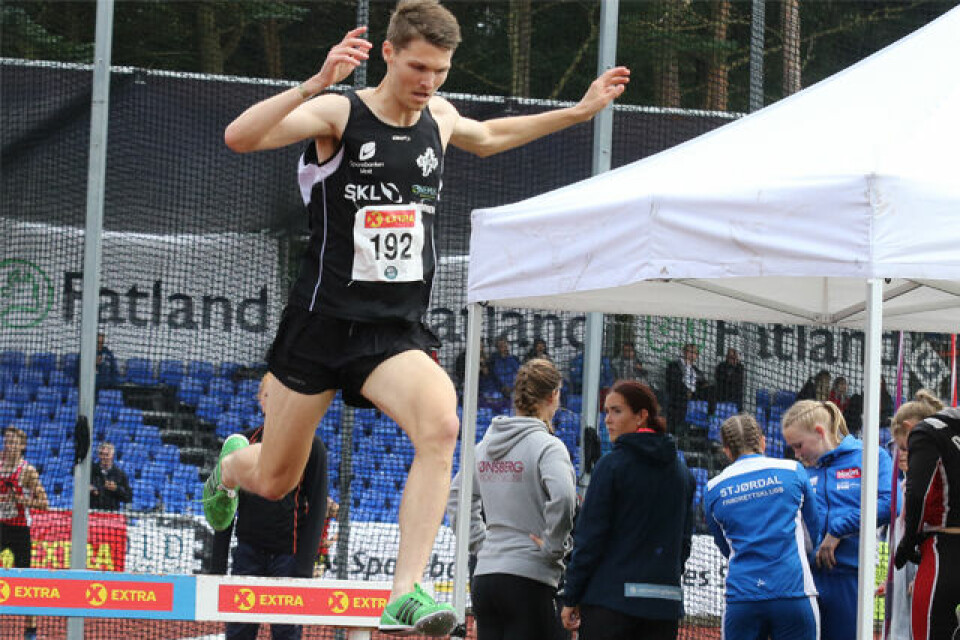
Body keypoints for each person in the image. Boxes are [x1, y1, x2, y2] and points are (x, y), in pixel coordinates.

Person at [204, 1, 629, 635]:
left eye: (440, 70)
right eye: (419, 67)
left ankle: (405, 591)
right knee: (272, 481)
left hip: (392, 332)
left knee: (442, 425)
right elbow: (239, 137)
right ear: (389, 54)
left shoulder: (439, 117)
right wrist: (315, 82)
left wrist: (578, 111)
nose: (429, 81)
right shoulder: (340, 113)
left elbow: (491, 137)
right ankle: (232, 463)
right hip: (320, 325)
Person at [448, 358, 576, 640]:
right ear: (553, 395)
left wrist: (480, 544)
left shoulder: (484, 446)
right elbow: (565, 497)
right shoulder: (549, 446)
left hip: (487, 576)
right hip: (531, 576)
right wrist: (554, 547)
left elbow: (457, 496)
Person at [560, 381, 695, 640]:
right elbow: (683, 544)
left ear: (642, 415)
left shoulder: (610, 466)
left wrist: (572, 595)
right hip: (664, 607)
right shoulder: (682, 473)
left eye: (616, 411)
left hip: (610, 605)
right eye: (606, 411)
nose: (607, 419)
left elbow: (590, 539)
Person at [210, 376, 327, 640]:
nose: (276, 402)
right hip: (248, 554)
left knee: (286, 631)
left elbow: (318, 507)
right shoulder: (241, 444)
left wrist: (304, 568)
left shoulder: (311, 446)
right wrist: (217, 566)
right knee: (239, 630)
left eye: (284, 395)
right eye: (269, 395)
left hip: (289, 557)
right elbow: (224, 500)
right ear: (260, 401)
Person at [781, 400, 893, 640]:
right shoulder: (799, 471)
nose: (797, 454)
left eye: (799, 446)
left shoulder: (870, 456)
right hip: (805, 581)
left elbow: (890, 504)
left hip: (850, 577)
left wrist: (838, 530)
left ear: (820, 432)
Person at [705, 414, 820, 640]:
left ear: (727, 450)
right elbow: (813, 531)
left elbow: (724, 545)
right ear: (763, 441)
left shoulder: (713, 488)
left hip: (742, 598)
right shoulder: (793, 470)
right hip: (793, 592)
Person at [893, 392, 960, 640]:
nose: (903, 455)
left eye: (904, 448)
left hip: (942, 553)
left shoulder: (926, 434)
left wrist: (909, 541)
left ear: (910, 428)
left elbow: (917, 497)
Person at [886, 391, 943, 640]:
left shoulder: (937, 476)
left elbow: (931, 525)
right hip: (909, 569)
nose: (901, 455)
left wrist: (923, 572)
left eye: (903, 448)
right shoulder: (915, 478)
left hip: (926, 564)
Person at [1, 426, 49, 640]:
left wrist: (23, 500)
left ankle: (30, 631)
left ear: (22, 446)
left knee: (25, 579)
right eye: (6, 441)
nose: (8, 445)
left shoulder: (27, 471)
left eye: (13, 442)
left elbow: (44, 504)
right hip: (0, 526)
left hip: (20, 529)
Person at [664, 343, 709, 434]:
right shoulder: (674, 366)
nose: (692, 355)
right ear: (684, 352)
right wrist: (687, 391)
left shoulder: (696, 370)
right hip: (678, 399)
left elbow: (703, 383)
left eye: (695, 353)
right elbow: (674, 383)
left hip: (693, 399)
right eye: (690, 352)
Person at [89, 441, 132, 510]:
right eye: (101, 454)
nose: (104, 457)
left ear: (112, 455)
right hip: (92, 512)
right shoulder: (90, 471)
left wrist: (116, 489)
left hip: (111, 514)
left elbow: (128, 497)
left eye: (107, 455)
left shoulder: (120, 474)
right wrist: (89, 489)